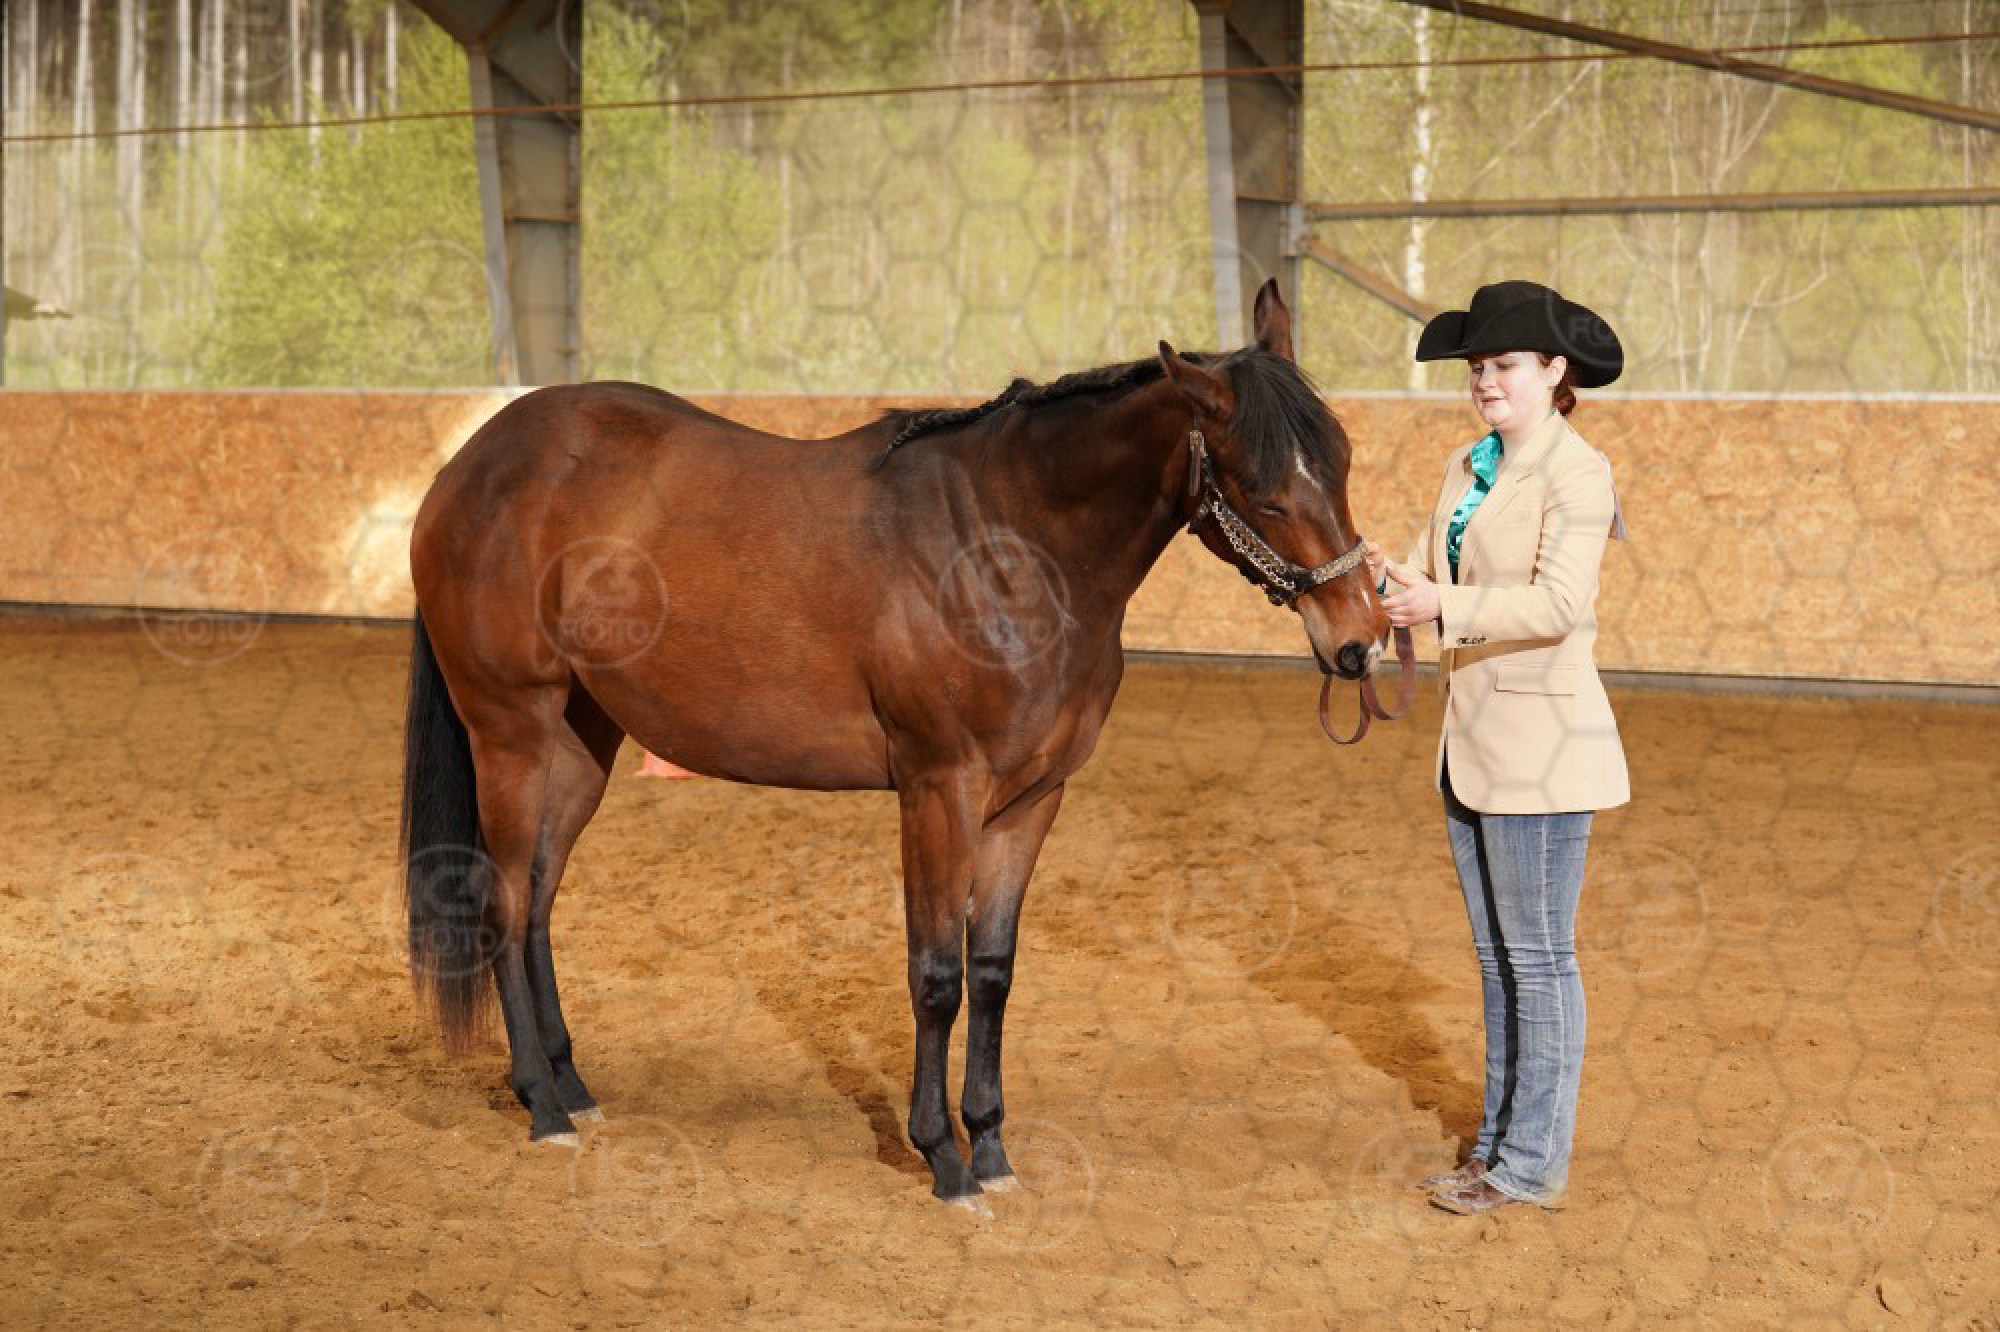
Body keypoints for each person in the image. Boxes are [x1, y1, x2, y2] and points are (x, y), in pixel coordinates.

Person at [1364, 280, 1630, 1216]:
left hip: (1544, 748)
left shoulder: (1579, 473)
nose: (1485, 380)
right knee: (1498, 959)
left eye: (1504, 364)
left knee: (1540, 959)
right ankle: (1495, 1148)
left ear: (1555, 371)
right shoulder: (1466, 466)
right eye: (1477, 366)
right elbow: (1430, 573)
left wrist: (1441, 606)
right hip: (1472, 742)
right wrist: (1379, 587)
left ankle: (1531, 1164)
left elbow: (1558, 604)